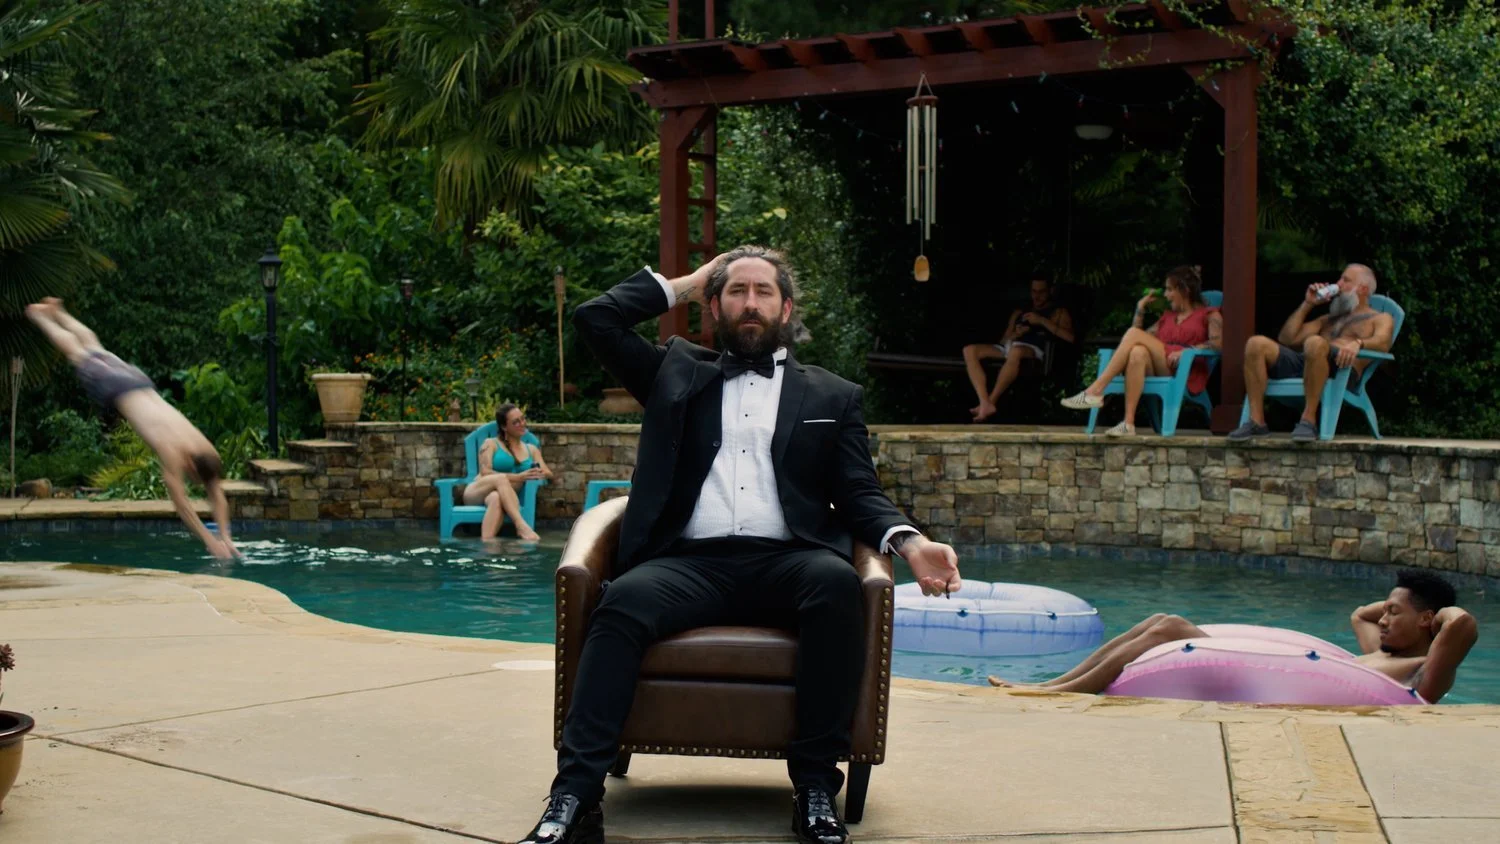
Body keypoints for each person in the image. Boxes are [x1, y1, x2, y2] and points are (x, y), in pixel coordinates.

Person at [519, 246, 962, 844]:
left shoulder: (834, 396)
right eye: (735, 291)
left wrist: (909, 543)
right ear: (713, 304)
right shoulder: (672, 371)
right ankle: (574, 794)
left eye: (763, 292)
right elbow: (594, 319)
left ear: (786, 308)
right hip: (687, 564)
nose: (750, 303)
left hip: (788, 561)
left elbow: (858, 491)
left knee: (837, 587)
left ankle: (813, 788)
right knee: (621, 602)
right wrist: (687, 281)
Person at [987, 569, 1478, 704]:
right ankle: (1056, 684)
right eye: (1386, 612)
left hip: (1285, 681)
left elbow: (1463, 625)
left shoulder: (1422, 672)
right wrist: (1400, 608)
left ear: (1428, 620)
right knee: (1163, 620)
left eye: (1396, 614)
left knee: (1170, 626)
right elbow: (1359, 614)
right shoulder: (1384, 654)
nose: (1384, 620)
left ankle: (1060, 693)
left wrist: (1437, 619)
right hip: (1297, 677)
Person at [24, 298, 236, 560]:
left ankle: (59, 312)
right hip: (116, 388)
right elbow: (181, 504)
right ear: (191, 466)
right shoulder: (174, 452)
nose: (195, 481)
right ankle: (40, 317)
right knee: (77, 354)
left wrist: (226, 536)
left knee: (94, 346)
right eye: (193, 477)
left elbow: (217, 492)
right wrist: (210, 541)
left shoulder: (204, 447)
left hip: (139, 382)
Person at [1229, 263, 1395, 441]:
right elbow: (1287, 339)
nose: (1338, 284)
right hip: (1308, 361)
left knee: (1315, 342)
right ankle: (1257, 422)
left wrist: (1358, 343)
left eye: (1345, 280)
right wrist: (1308, 304)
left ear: (1362, 289)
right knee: (1255, 344)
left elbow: (1383, 342)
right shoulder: (1328, 319)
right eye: (1340, 279)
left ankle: (1308, 420)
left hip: (1341, 369)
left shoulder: (1380, 318)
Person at [1059, 265, 1223, 436]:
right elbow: (1136, 338)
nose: (1165, 295)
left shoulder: (1210, 315)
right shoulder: (1167, 317)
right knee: (1137, 352)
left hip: (1185, 369)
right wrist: (1140, 309)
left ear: (1184, 290)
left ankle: (1095, 391)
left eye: (1169, 290)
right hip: (1163, 365)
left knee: (1134, 338)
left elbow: (1218, 345)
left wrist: (1186, 351)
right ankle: (1128, 423)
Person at [961, 273, 1075, 422]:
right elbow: (1004, 341)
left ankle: (992, 400)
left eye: (1041, 292)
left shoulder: (1058, 312)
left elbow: (1070, 338)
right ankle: (984, 402)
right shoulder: (1020, 312)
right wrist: (1015, 334)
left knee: (1016, 351)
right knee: (969, 350)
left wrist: (1041, 321)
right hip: (1011, 346)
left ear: (1050, 291)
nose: (1037, 296)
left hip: (1033, 350)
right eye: (1034, 291)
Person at [460, 402, 551, 541]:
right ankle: (520, 524)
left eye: (522, 419)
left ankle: (487, 547)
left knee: (496, 498)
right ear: (504, 427)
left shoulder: (531, 449)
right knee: (501, 479)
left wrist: (538, 473)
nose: (522, 423)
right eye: (516, 422)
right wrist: (518, 477)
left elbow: (549, 473)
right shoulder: (490, 444)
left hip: (501, 496)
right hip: (476, 492)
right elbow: (485, 472)